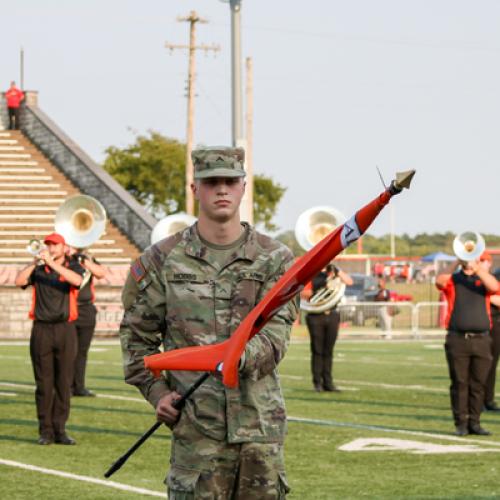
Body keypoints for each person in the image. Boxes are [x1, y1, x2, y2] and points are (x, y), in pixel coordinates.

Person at [119, 146, 298, 499]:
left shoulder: (275, 259)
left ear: (243, 186)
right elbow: (136, 340)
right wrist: (157, 394)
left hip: (259, 432)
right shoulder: (161, 261)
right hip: (196, 434)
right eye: (211, 181)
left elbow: (276, 337)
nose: (221, 189)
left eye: (230, 181)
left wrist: (233, 356)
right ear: (194, 189)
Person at [15, 232, 84, 445]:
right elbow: (19, 281)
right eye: (48, 245)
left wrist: (53, 264)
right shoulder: (38, 270)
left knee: (63, 382)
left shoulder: (73, 267)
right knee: (43, 383)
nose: (51, 249)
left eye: (55, 245)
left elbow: (78, 281)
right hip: (41, 330)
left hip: (65, 329)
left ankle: (60, 429)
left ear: (64, 248)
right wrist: (36, 261)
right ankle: (45, 430)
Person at [436, 253, 498, 436]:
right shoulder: (453, 279)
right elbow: (440, 281)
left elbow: (494, 287)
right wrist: (457, 261)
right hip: (457, 338)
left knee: (479, 384)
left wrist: (477, 268)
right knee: (459, 383)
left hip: (482, 338)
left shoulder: (483, 280)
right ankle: (461, 423)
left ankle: (475, 422)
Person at [302, 264, 352, 392]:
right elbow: (304, 293)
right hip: (316, 314)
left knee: (328, 351)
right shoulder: (311, 274)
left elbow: (349, 281)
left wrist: (338, 270)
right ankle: (317, 383)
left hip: (332, 314)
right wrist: (323, 285)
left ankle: (328, 383)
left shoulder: (334, 273)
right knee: (317, 350)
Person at [68, 247, 106, 397]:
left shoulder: (87, 259)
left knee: (82, 352)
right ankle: (66, 386)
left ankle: (79, 386)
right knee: (68, 351)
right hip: (69, 308)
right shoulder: (65, 261)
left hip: (86, 310)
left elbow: (101, 273)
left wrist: (83, 260)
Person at [479, 254, 500, 412]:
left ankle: (489, 399)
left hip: (497, 323)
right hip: (486, 324)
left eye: (482, 261)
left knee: (492, 364)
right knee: (485, 364)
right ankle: (481, 400)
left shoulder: (494, 277)